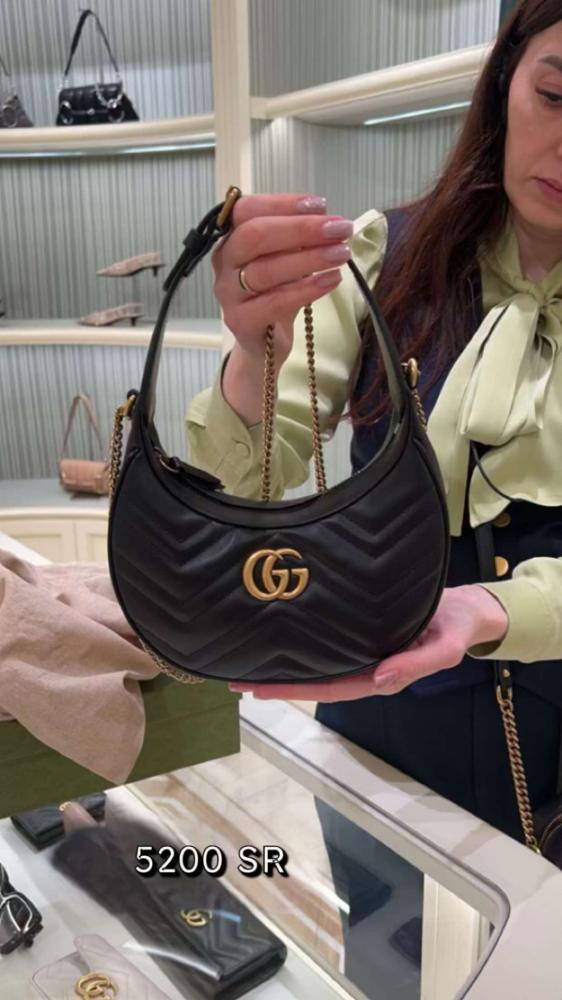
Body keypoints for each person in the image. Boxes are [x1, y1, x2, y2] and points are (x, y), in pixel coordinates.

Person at [187, 0, 562, 851]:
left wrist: (498, 610)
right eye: (555, 96)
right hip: (383, 709)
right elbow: (254, 480)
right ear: (506, 80)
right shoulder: (386, 256)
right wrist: (252, 349)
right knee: (384, 926)